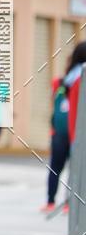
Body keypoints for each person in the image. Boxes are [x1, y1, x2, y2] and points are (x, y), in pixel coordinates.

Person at [42, 58, 73, 212]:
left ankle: (67, 202)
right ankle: (51, 201)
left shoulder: (63, 83)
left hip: (72, 134)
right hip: (60, 133)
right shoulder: (59, 83)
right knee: (56, 168)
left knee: (73, 170)